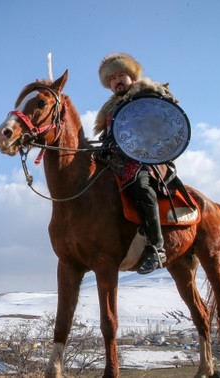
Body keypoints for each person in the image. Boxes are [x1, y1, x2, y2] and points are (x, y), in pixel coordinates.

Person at [94, 52, 179, 275]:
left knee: (139, 184)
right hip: (115, 161)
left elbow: (165, 121)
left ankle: (156, 248)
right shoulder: (109, 111)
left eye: (121, 74)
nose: (117, 81)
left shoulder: (148, 94)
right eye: (112, 78)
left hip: (146, 158)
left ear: (131, 76)